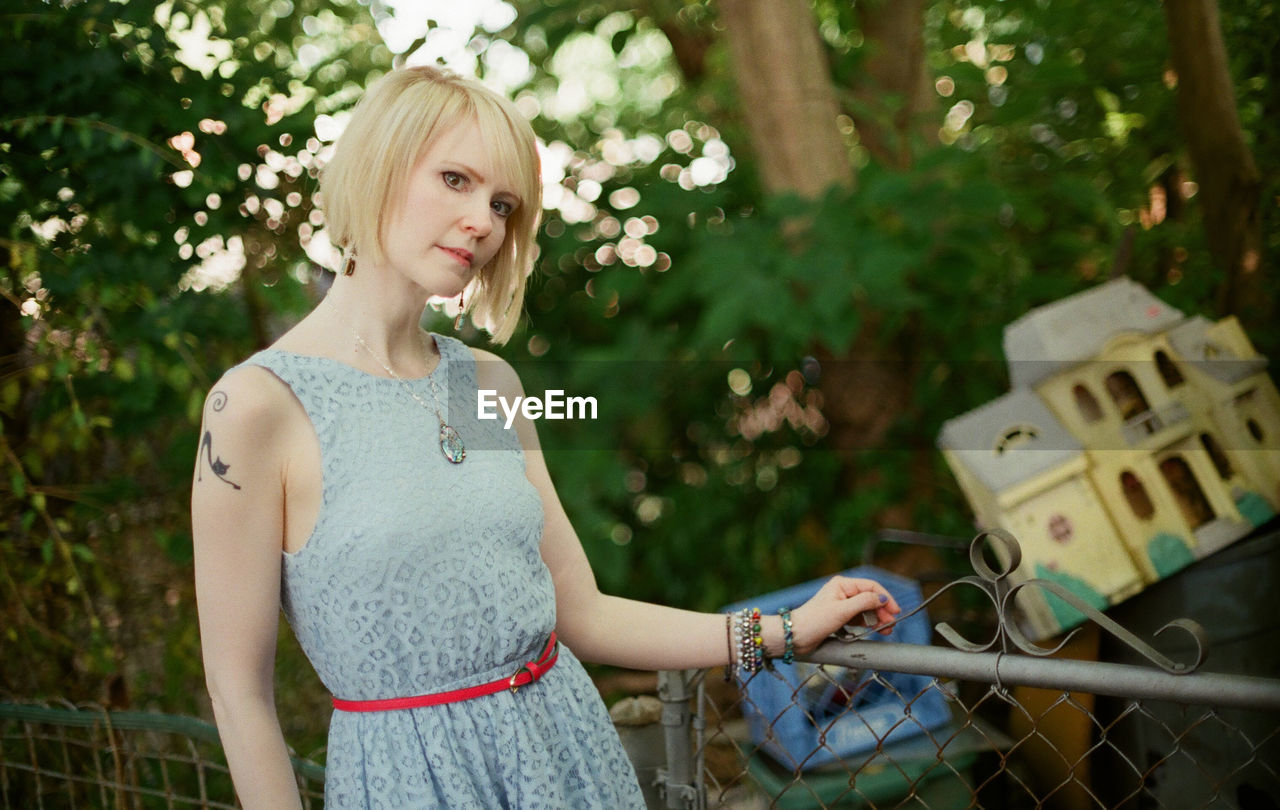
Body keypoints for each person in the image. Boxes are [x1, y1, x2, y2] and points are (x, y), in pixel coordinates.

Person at [191, 65, 902, 810]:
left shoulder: (485, 386)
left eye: (502, 203)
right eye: (456, 180)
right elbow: (239, 695)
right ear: (378, 165)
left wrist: (781, 633)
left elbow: (584, 615)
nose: (484, 223)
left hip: (570, 759)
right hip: (414, 784)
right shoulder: (256, 407)